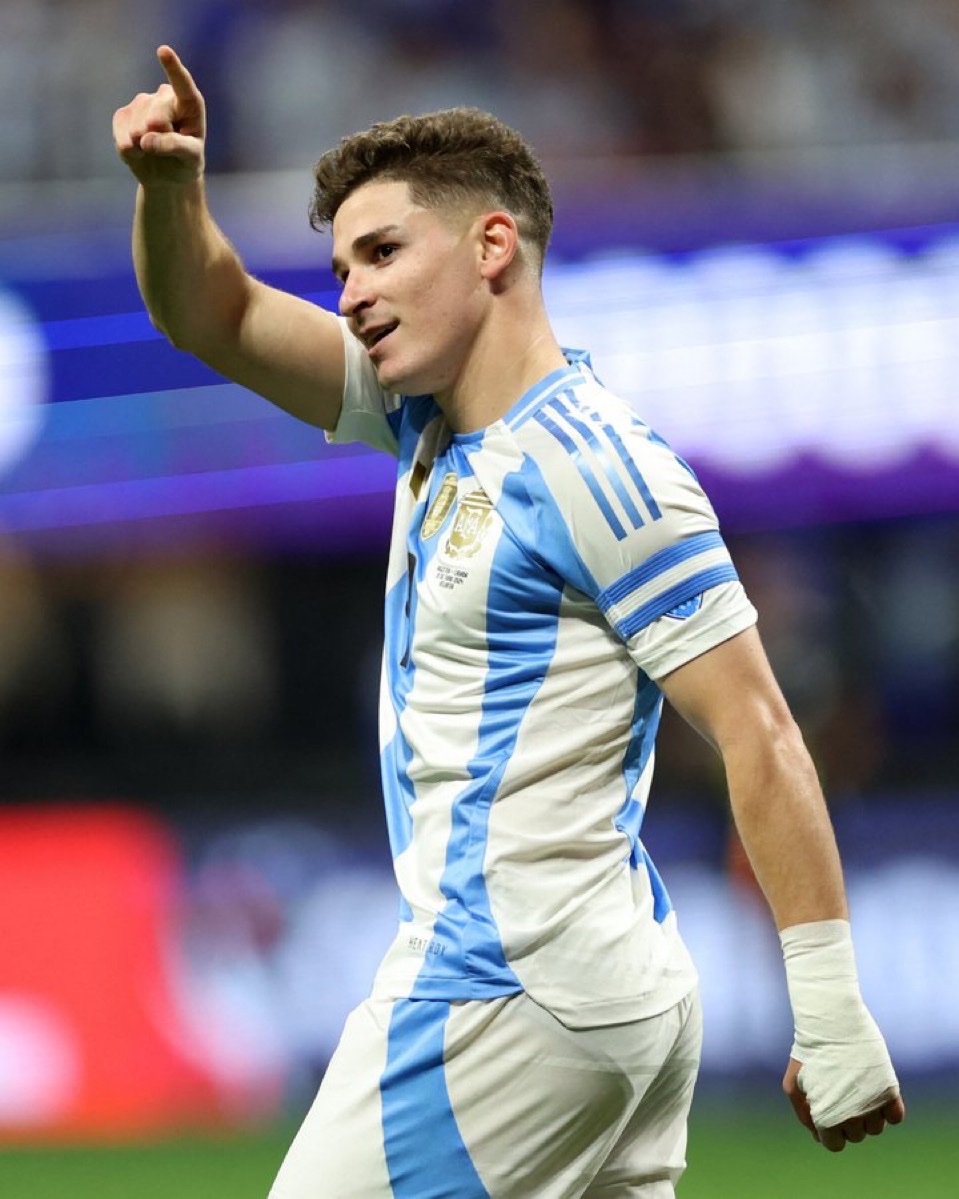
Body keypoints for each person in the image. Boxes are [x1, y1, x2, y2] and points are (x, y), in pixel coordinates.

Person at [113, 46, 905, 1199]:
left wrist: (829, 1010)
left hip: (503, 987)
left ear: (492, 247)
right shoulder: (418, 415)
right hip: (604, 994)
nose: (348, 293)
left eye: (381, 252)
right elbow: (216, 315)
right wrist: (171, 190)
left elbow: (759, 730)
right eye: (340, 265)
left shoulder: (598, 467)